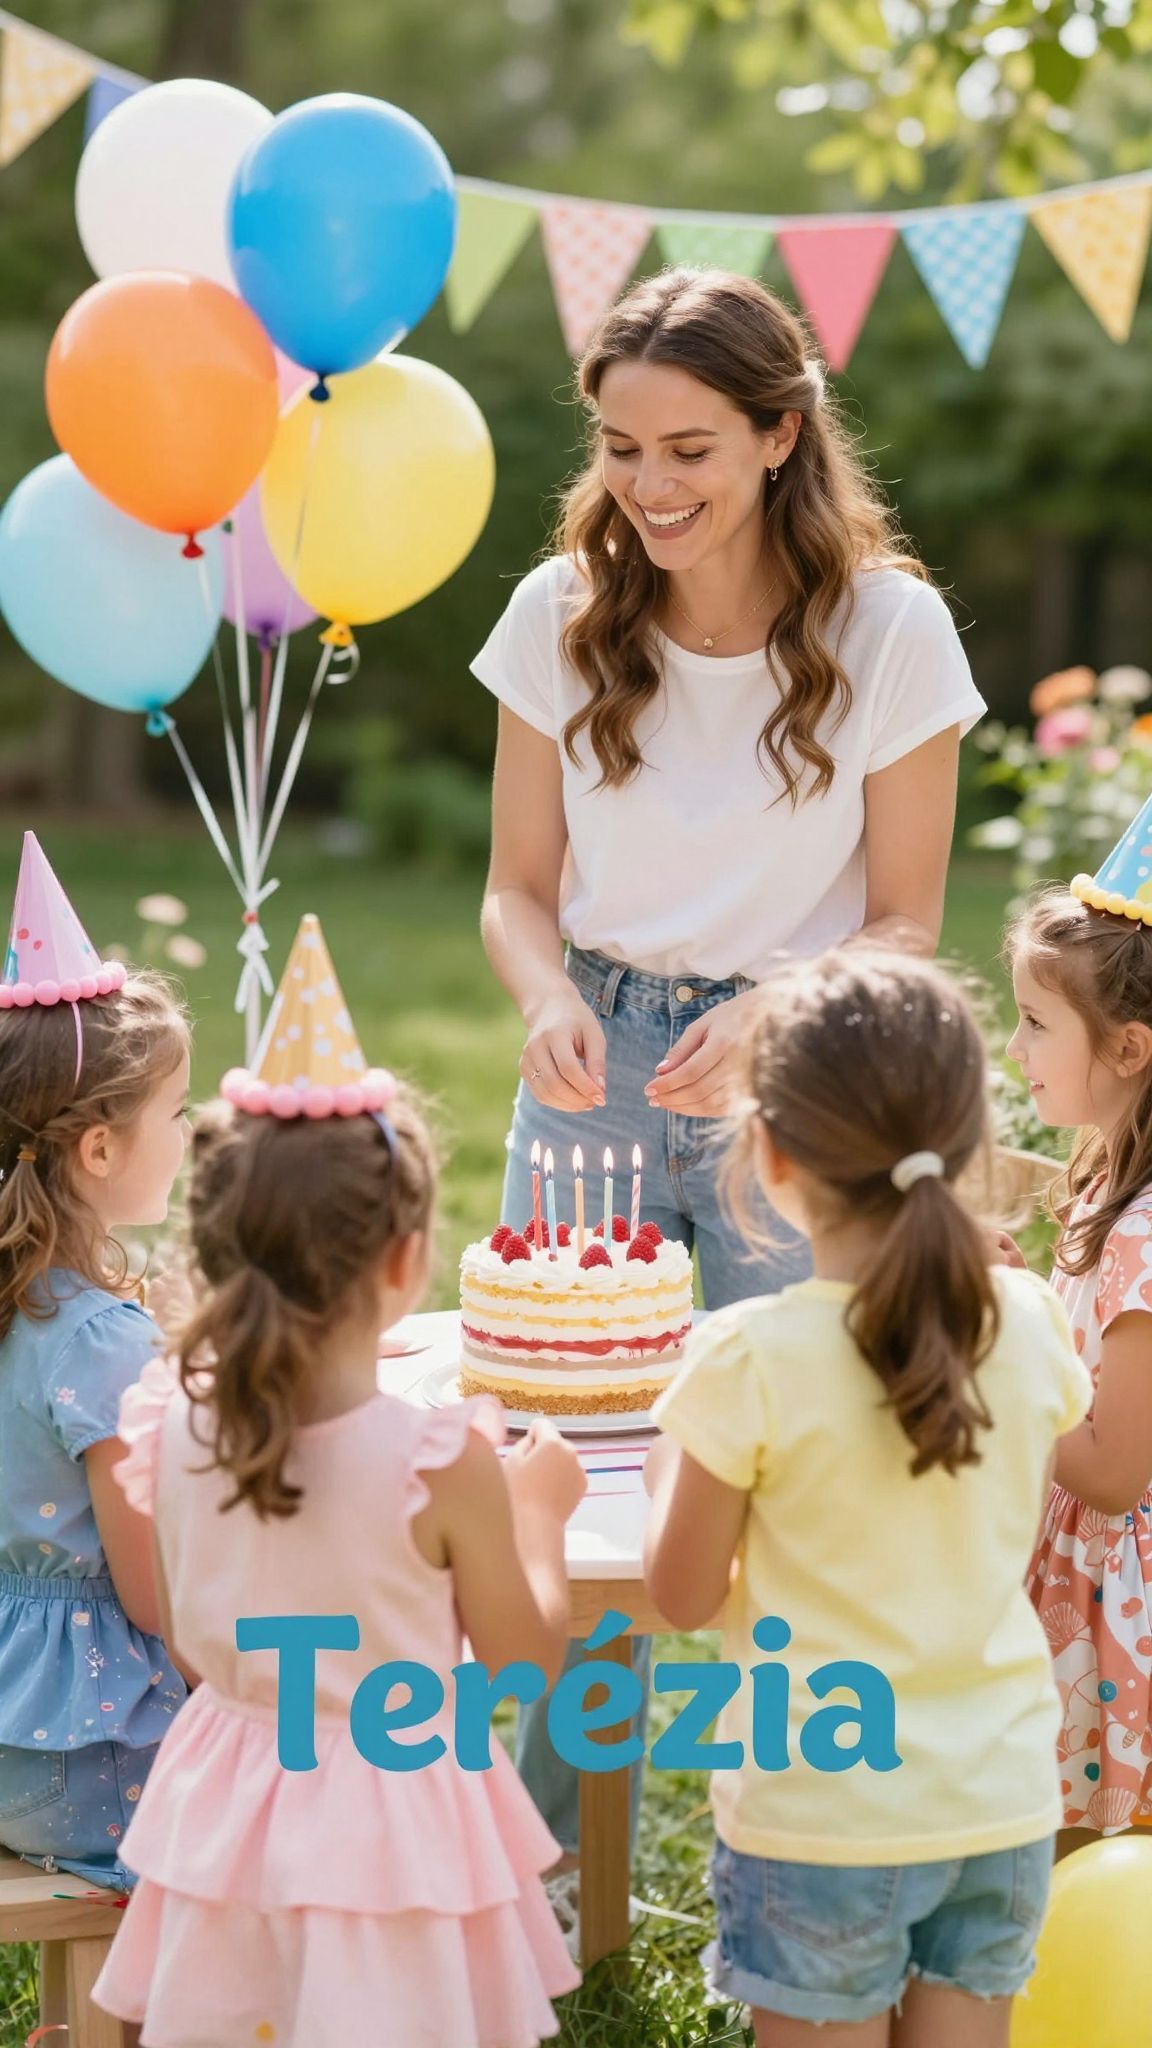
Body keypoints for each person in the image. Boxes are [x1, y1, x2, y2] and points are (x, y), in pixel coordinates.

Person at [473, 264, 986, 1878]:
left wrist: (779, 1010)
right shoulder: (559, 613)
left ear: (779, 433)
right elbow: (510, 888)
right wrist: (546, 989)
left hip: (810, 1068)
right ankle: (548, 1879)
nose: (649, 487)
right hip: (599, 1064)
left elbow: (906, 916)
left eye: (689, 447)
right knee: (552, 1478)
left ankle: (816, 1857)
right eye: (620, 448)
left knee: (818, 1477)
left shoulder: (888, 629)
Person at [93, 937, 586, 2048]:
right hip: (391, 1821)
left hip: (224, 1805)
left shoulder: (168, 1421)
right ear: (407, 1262)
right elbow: (521, 1665)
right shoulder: (440, 1457)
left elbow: (185, 1637)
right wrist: (539, 1514)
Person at [644, 950, 1090, 2048]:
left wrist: (669, 1454)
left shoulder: (745, 1358)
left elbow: (684, 1593)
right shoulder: (1028, 1320)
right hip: (998, 1797)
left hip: (822, 1813)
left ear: (770, 1152)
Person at [0, 839, 190, 1894]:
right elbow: (160, 1595)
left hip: (17, 1735)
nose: (192, 1129)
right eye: (176, 1110)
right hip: (101, 1765)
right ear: (100, 1149)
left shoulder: (34, 1305)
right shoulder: (102, 1343)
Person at [1009, 873, 1152, 1849]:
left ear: (1130, 1047)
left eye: (1033, 1021)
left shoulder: (1144, 1236)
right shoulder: (1103, 1173)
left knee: (1090, 1862)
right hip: (1076, 1585)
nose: (1014, 1048)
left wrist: (1010, 1341)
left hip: (1116, 1611)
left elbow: (1110, 1470)